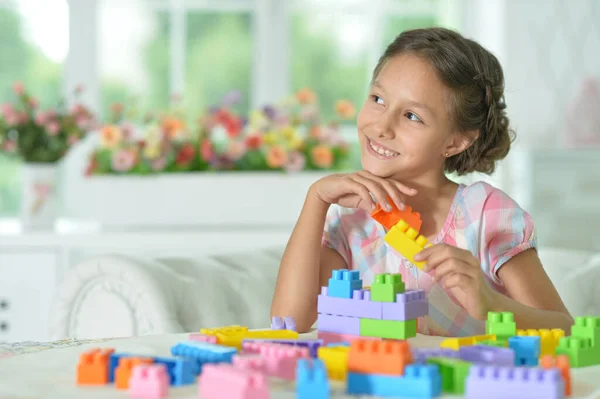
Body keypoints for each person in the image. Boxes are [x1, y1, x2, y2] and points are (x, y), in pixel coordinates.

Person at [270, 27, 573, 336]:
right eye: (378, 98)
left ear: (455, 142)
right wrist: (316, 199)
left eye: (412, 116)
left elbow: (565, 328)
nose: (382, 126)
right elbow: (291, 322)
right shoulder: (351, 220)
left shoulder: (486, 215)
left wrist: (491, 302)